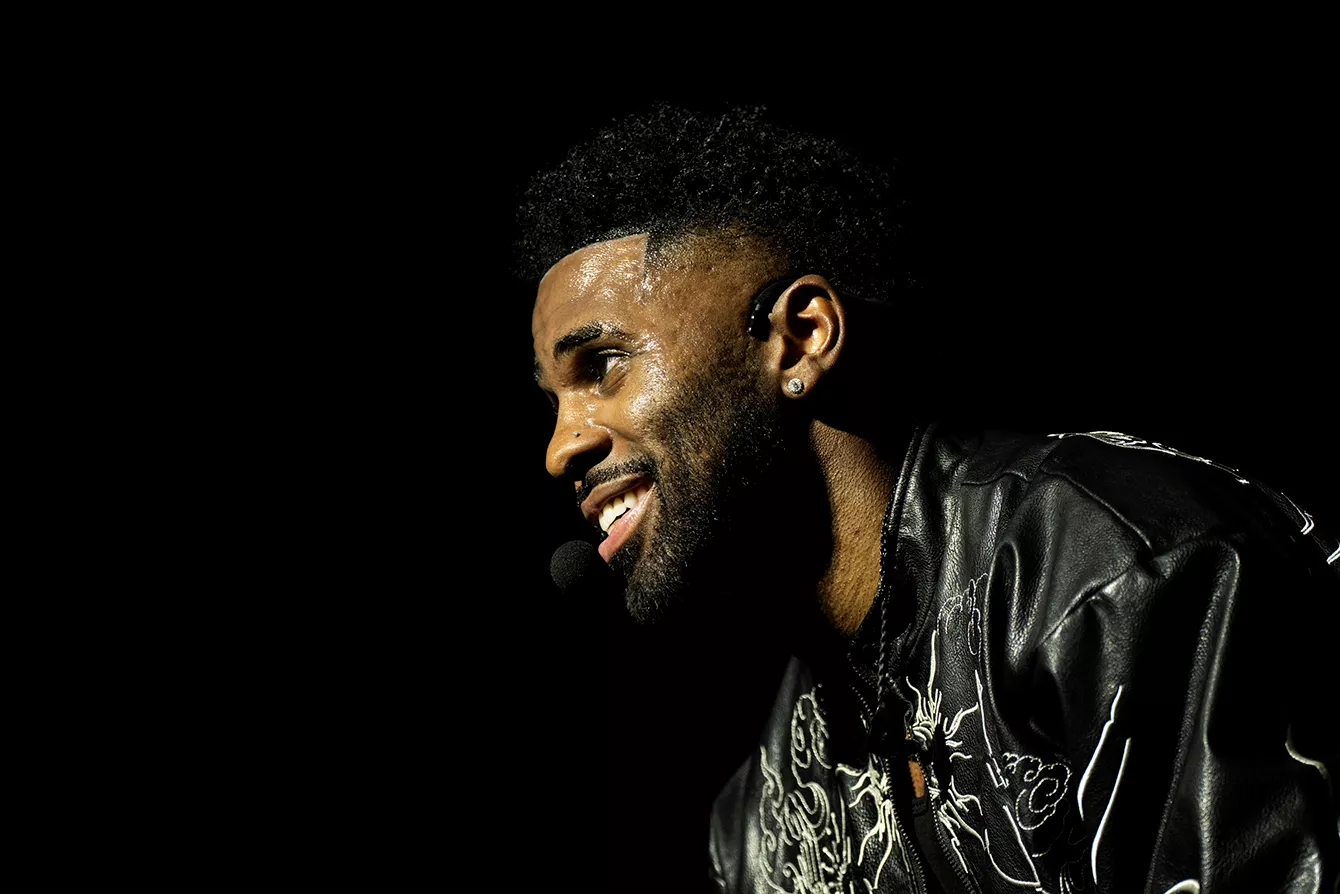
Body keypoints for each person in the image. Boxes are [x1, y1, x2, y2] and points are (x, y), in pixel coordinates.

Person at [517, 105, 1339, 893]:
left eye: (603, 366)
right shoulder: (758, 822)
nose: (561, 448)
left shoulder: (1123, 573)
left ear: (801, 338)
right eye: (552, 400)